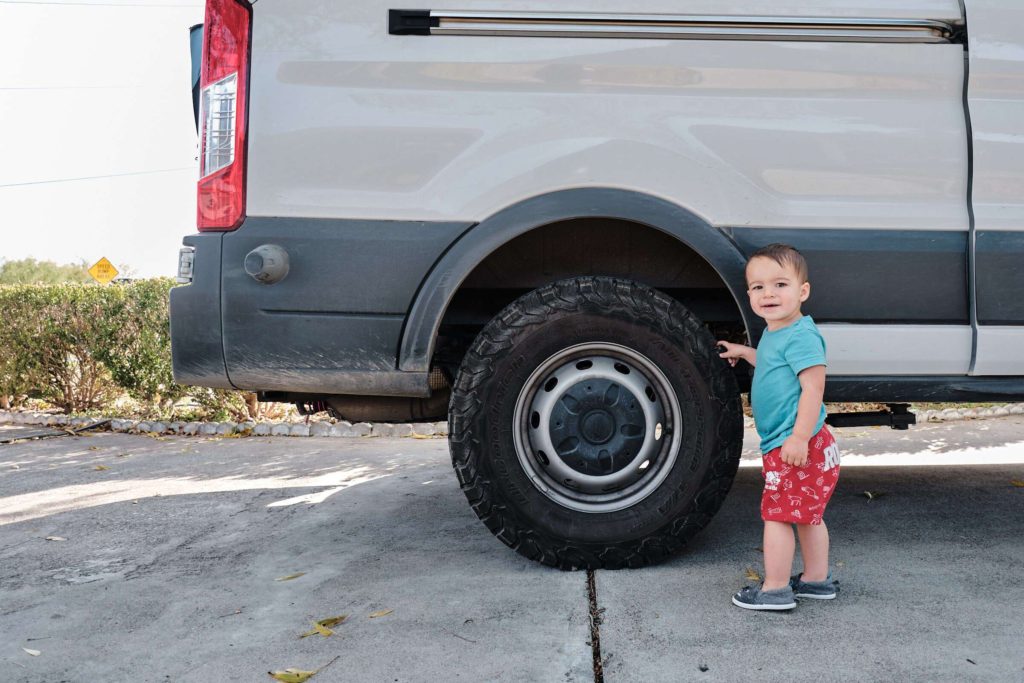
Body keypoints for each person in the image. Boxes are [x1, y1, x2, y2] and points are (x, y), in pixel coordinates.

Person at [717, 243, 841, 611]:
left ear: (802, 291)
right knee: (807, 515)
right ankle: (816, 581)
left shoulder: (802, 335)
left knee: (778, 516)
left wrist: (799, 437)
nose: (768, 293)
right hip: (806, 444)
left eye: (780, 284)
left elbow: (813, 387)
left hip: (797, 444)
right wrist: (745, 352)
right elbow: (774, 365)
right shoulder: (779, 333)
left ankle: (773, 590)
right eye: (757, 287)